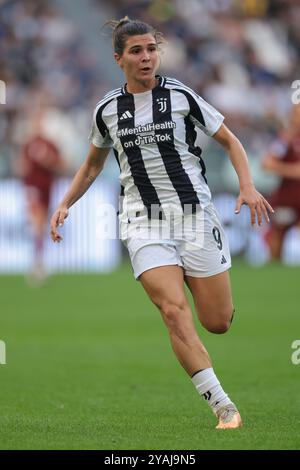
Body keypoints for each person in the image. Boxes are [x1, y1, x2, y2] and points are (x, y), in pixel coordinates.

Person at [50, 17, 273, 429]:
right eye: (136, 51)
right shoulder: (107, 111)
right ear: (119, 59)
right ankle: (223, 407)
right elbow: (91, 166)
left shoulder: (182, 96)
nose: (146, 57)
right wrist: (65, 203)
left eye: (151, 48)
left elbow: (230, 140)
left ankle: (203, 283)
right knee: (173, 311)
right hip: (142, 221)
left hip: (194, 218)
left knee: (217, 322)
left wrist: (246, 185)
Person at [21, 112, 64, 283]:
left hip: (48, 190)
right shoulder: (28, 145)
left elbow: (61, 164)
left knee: (43, 226)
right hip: (34, 189)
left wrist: (47, 159)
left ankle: (39, 263)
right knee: (38, 225)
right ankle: (38, 265)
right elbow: (22, 168)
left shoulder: (49, 144)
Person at [262, 104, 300, 260]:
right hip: (288, 198)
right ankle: (274, 270)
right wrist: (292, 171)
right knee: (278, 233)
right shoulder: (285, 140)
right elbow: (267, 163)